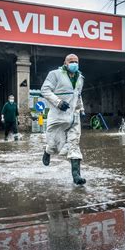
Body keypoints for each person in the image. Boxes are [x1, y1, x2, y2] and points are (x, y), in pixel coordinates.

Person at [41, 53, 86, 185]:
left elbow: (78, 95)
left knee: (74, 143)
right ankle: (47, 151)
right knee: (55, 145)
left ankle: (76, 176)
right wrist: (58, 102)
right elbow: (45, 90)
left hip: (73, 117)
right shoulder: (54, 74)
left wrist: (80, 108)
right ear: (65, 63)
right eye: (71, 61)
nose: (74, 64)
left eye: (76, 61)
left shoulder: (80, 78)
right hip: (58, 116)